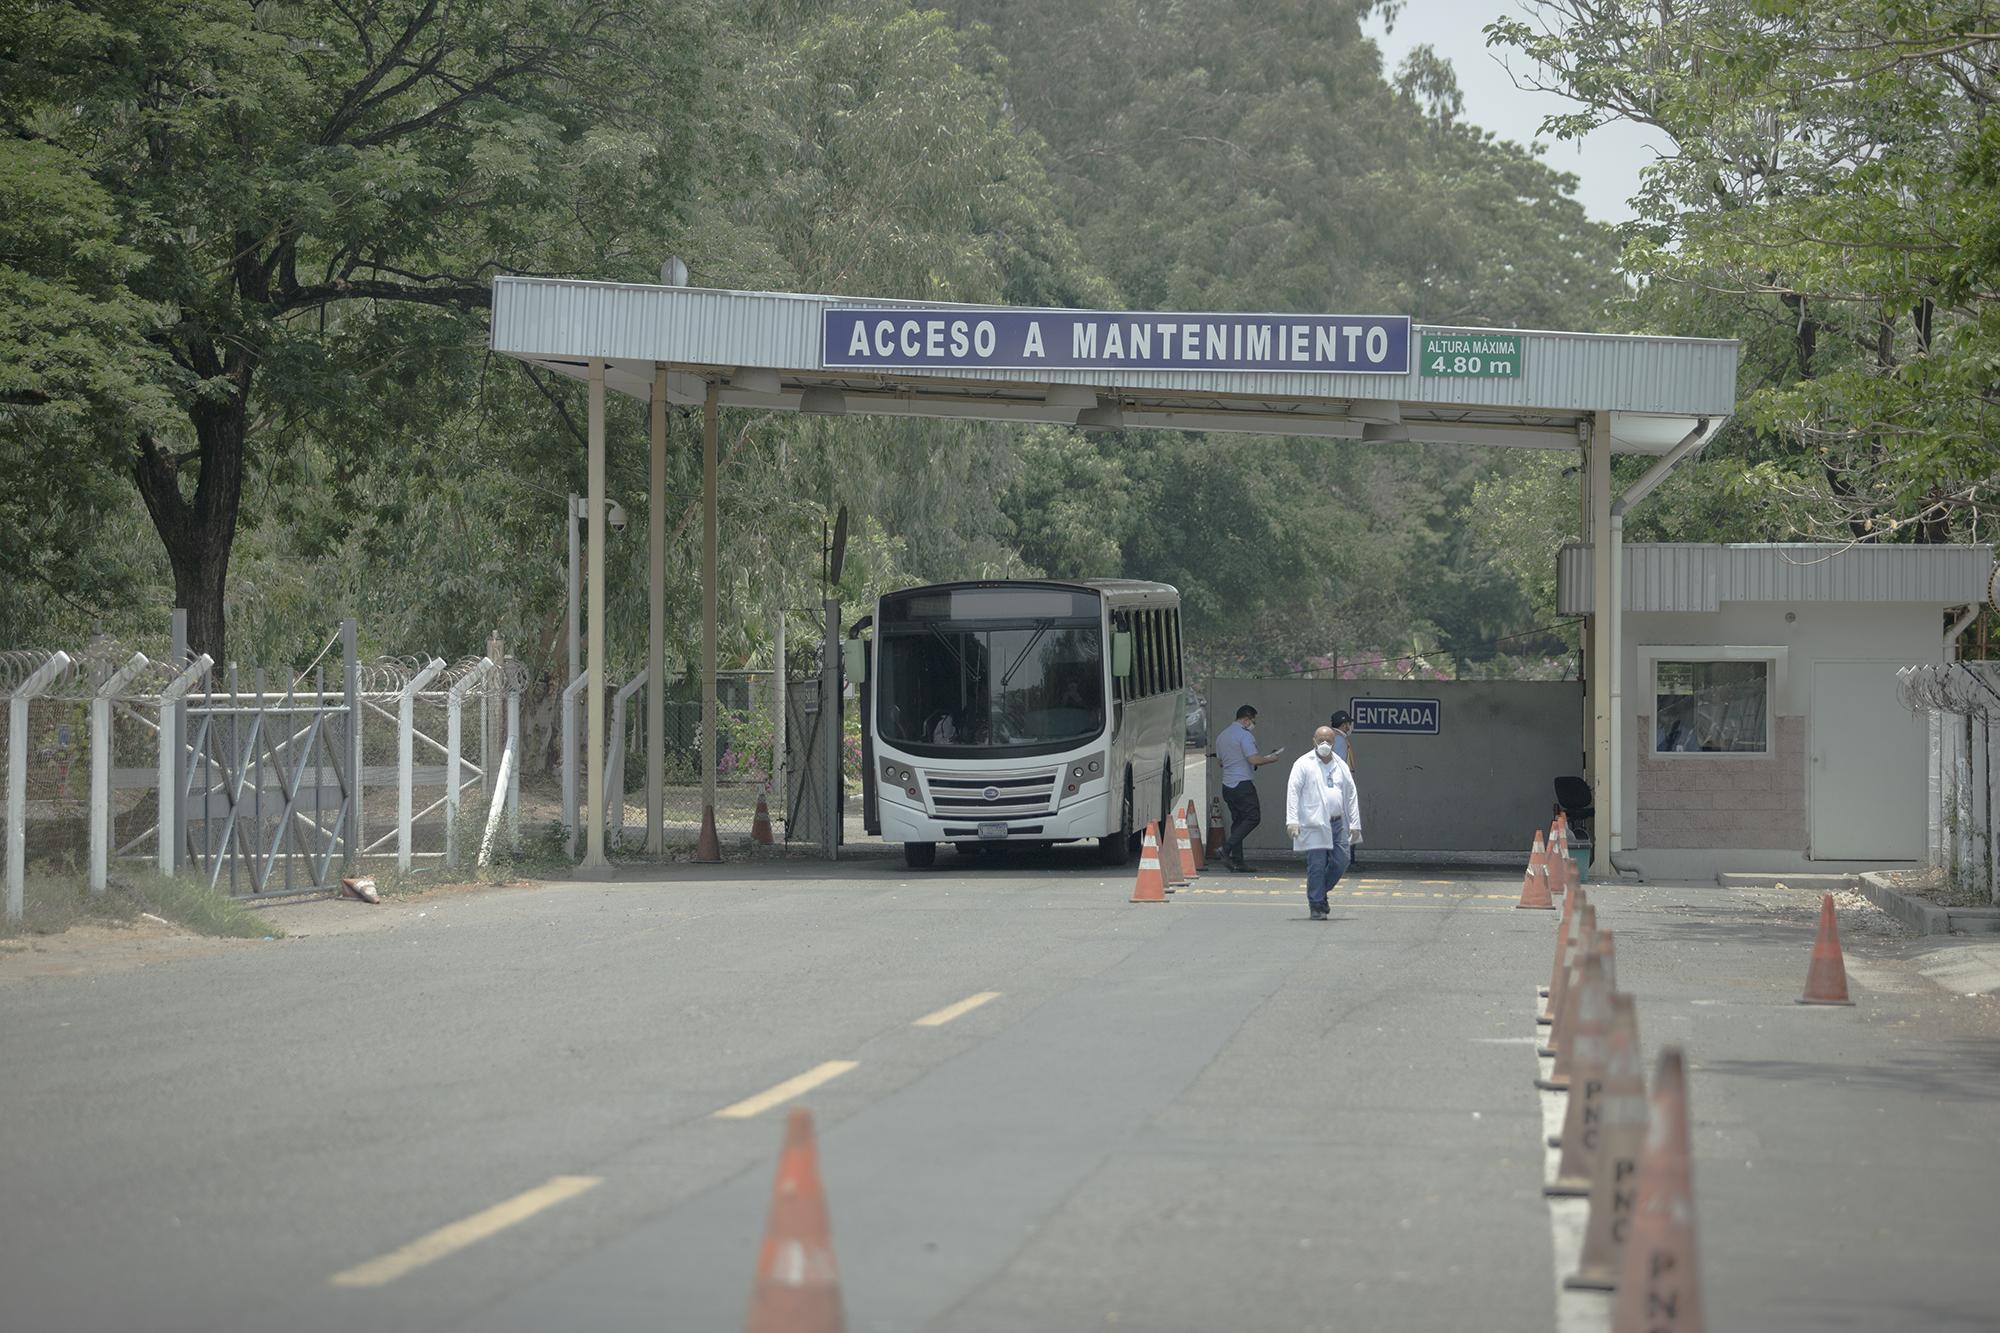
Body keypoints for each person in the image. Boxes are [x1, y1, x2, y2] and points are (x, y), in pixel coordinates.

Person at [1286, 725, 1362, 920]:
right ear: (1314, 741)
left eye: (1329, 740)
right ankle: (1317, 904)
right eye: (1321, 740)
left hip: (1337, 822)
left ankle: (1319, 892)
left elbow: (1351, 794)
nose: (1325, 744)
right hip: (1314, 823)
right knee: (1317, 865)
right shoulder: (1303, 763)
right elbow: (1293, 792)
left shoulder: (1340, 765)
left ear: (1334, 742)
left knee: (1342, 860)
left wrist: (1355, 824)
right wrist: (1292, 820)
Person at [1213, 704, 1284, 872]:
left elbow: (1221, 762)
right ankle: (1226, 848)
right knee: (1253, 817)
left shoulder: (1222, 736)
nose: (1253, 724)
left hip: (1227, 785)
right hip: (1243, 784)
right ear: (1245, 719)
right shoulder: (1245, 736)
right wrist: (1271, 759)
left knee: (1238, 822)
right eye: (1253, 720)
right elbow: (1253, 760)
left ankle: (1238, 862)